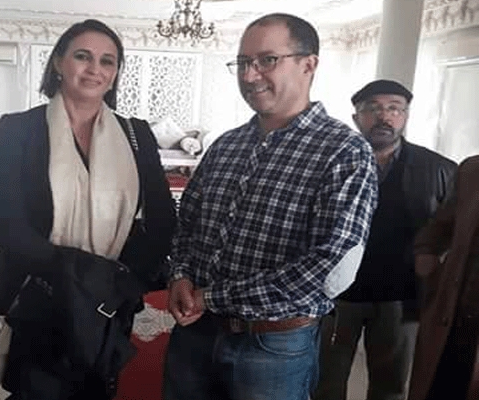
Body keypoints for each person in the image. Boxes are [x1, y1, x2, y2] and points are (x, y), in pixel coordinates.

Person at [163, 13, 378, 400]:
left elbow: (328, 268)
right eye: (243, 62)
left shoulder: (344, 151)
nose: (249, 75)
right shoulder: (226, 145)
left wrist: (211, 297)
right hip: (194, 335)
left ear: (308, 64)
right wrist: (180, 275)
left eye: (267, 60)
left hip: (272, 348)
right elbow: (187, 223)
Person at [0, 19, 176, 400]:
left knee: (96, 388)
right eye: (83, 56)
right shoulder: (19, 130)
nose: (94, 69)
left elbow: (162, 218)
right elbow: (8, 225)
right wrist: (79, 274)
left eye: (107, 61)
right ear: (59, 62)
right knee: (38, 389)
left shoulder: (137, 134)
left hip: (110, 301)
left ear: (116, 72)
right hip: (43, 292)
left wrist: (124, 280)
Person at [314, 80, 457, 400]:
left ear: (405, 116)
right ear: (356, 117)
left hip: (401, 299)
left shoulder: (439, 169)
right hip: (336, 296)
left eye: (394, 109)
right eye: (373, 108)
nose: (384, 116)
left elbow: (449, 235)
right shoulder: (331, 163)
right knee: (325, 383)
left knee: (390, 387)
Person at [408, 155, 479, 400]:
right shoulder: (472, 170)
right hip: (455, 308)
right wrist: (425, 251)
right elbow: (443, 222)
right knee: (440, 384)